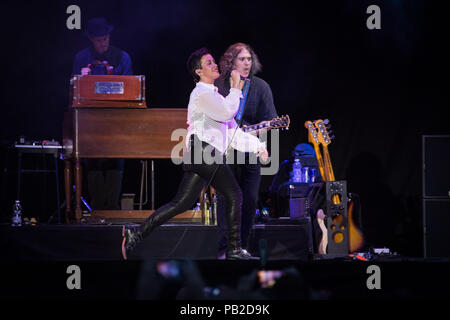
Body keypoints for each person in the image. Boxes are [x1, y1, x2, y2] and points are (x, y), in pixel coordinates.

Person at [121, 48, 269, 260]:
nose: (214, 65)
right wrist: (236, 88)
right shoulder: (201, 94)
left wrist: (257, 146)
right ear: (199, 71)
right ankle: (234, 249)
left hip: (203, 153)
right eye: (209, 63)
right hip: (204, 151)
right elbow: (228, 112)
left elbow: (231, 132)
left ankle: (135, 235)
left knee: (180, 203)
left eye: (213, 61)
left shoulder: (215, 96)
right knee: (234, 194)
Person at [214, 43, 278, 256]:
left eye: (249, 59)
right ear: (231, 61)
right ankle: (226, 248)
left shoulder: (261, 87)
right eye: (242, 59)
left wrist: (257, 139)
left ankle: (244, 246)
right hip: (224, 150)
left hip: (250, 149)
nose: (247, 63)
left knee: (250, 198)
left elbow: (269, 122)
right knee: (228, 198)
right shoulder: (219, 86)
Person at [72, 17, 132, 210]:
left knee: (116, 160)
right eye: (99, 39)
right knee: (93, 161)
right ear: (91, 39)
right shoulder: (81, 58)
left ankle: (112, 208)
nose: (103, 42)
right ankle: (97, 208)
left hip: (116, 119)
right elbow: (73, 90)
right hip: (91, 119)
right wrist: (80, 79)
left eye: (105, 38)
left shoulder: (122, 57)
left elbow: (130, 88)